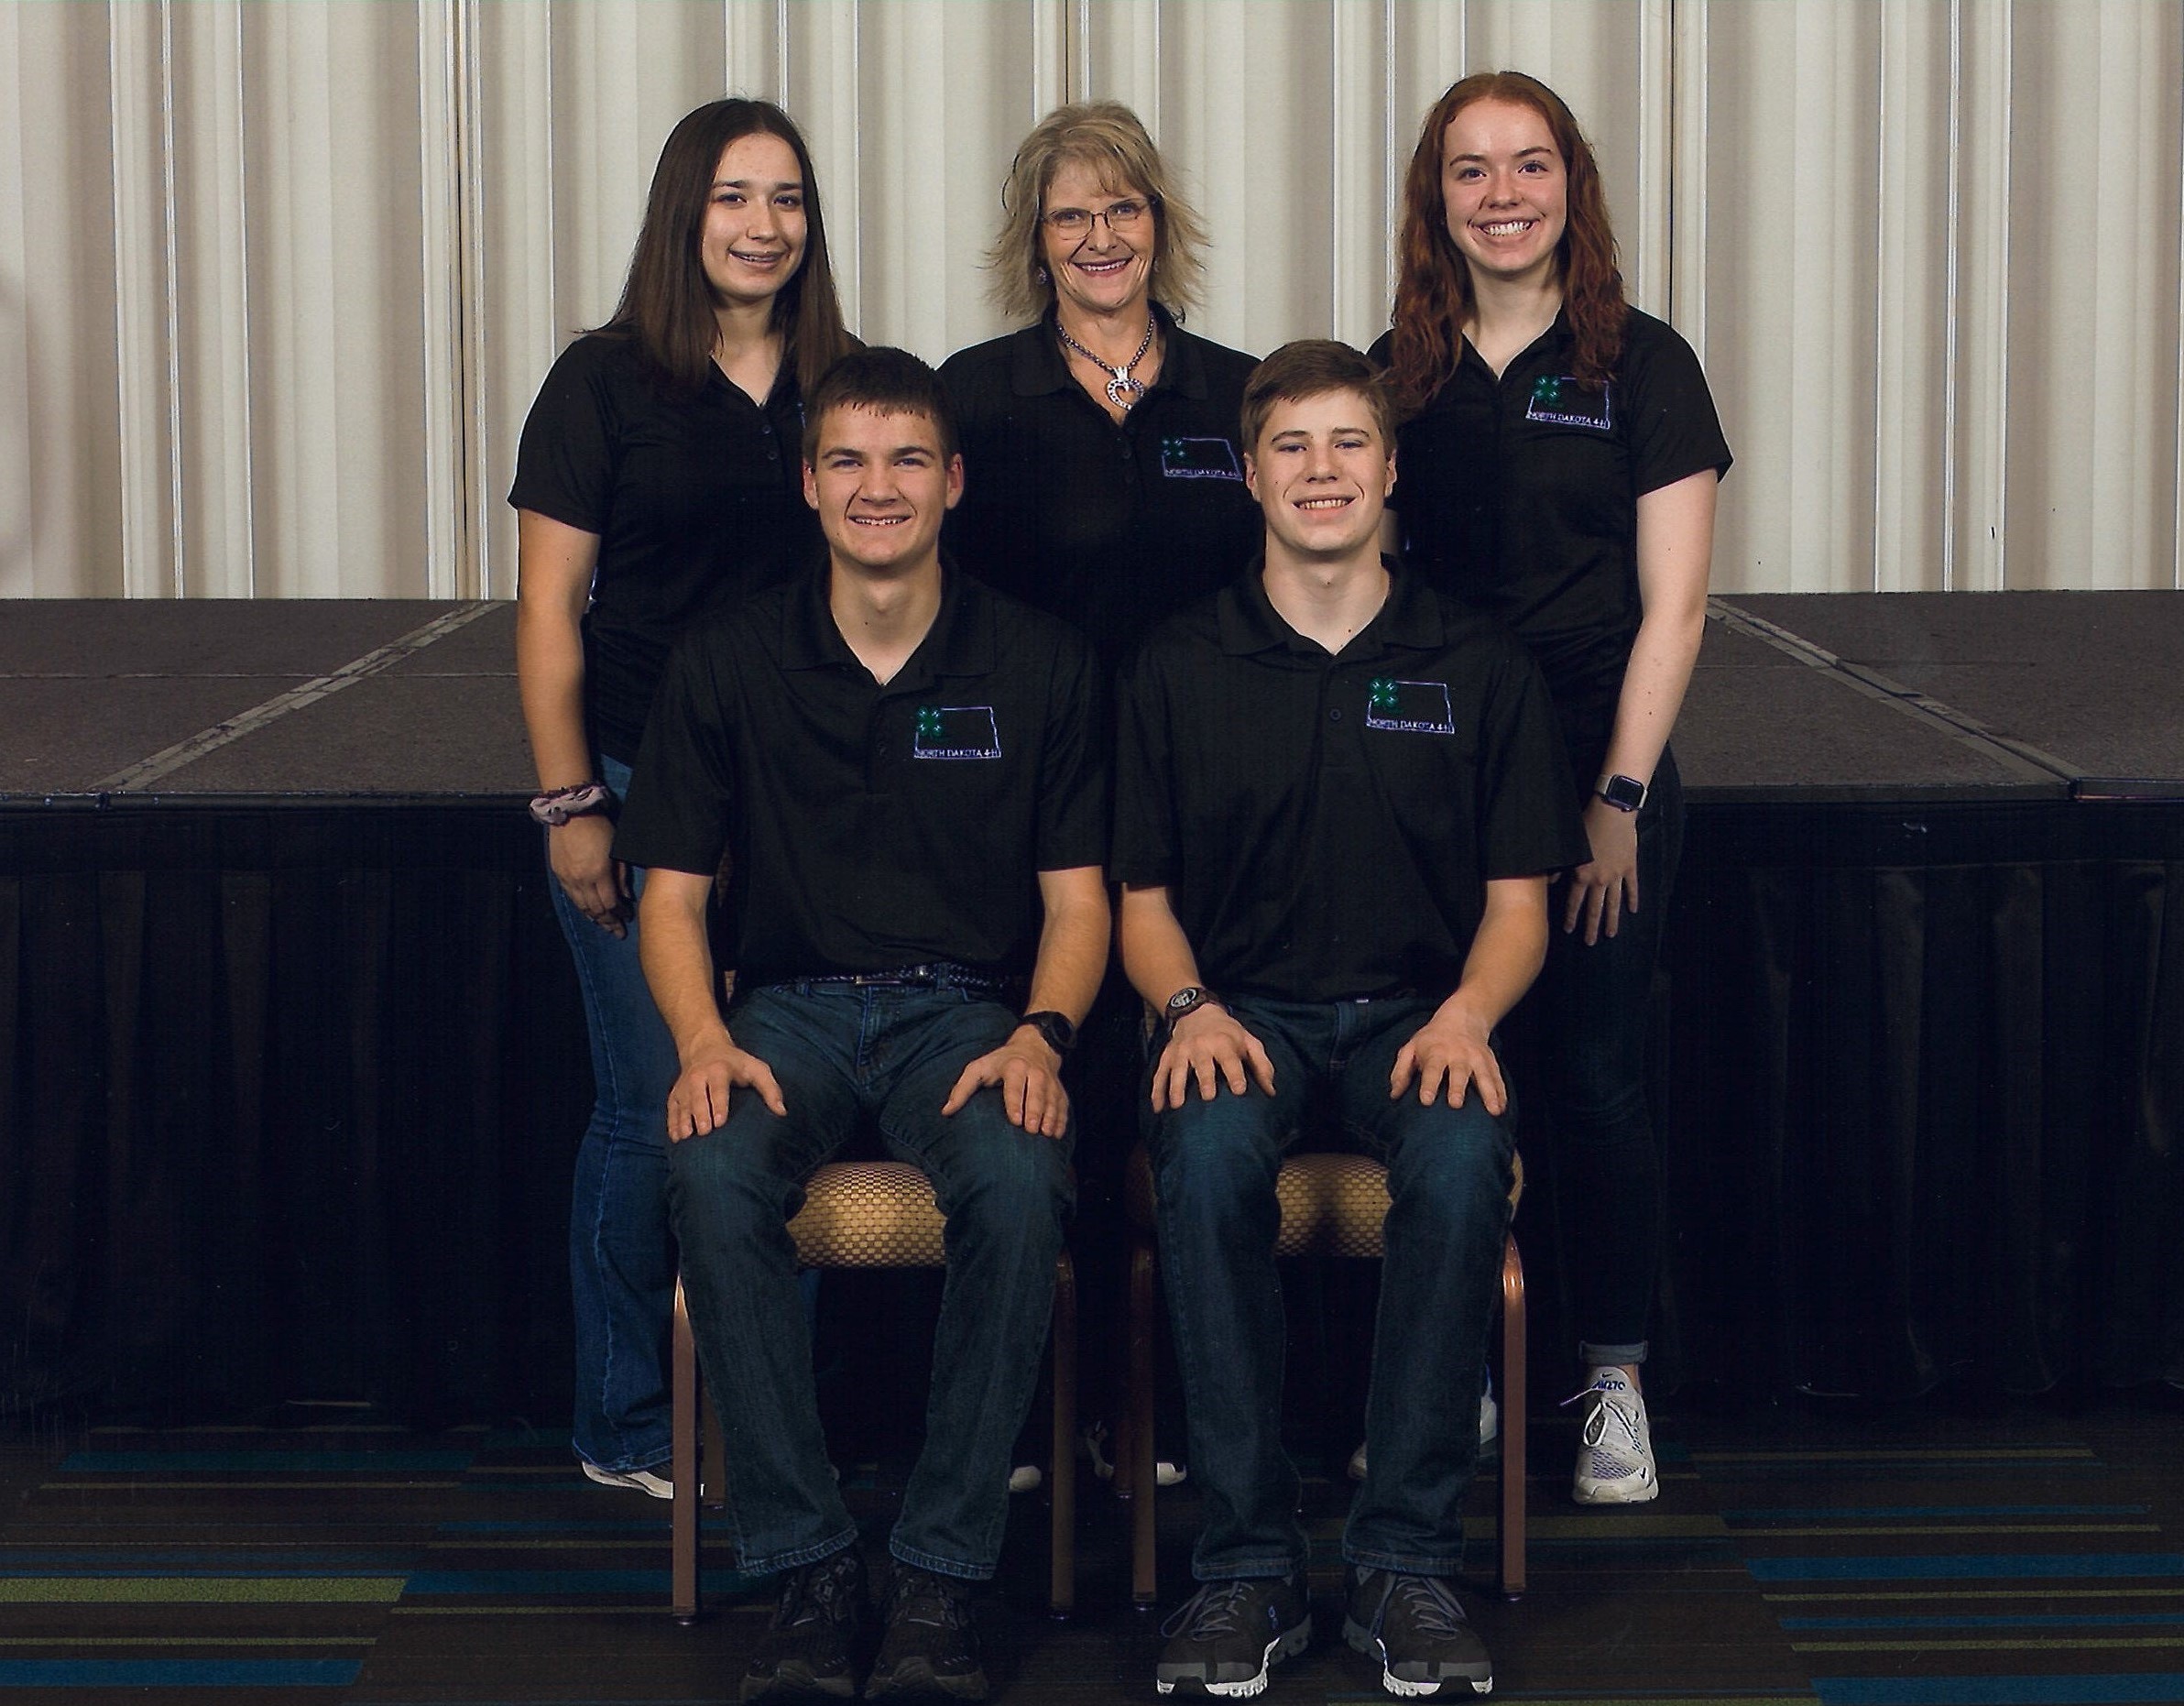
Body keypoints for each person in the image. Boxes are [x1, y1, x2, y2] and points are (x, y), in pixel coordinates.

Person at [615, 348, 1108, 1702]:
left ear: (953, 482)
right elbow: (671, 902)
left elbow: (1079, 902)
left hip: (968, 1017)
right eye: (847, 459)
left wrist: (1043, 1036)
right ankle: (809, 1566)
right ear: (809, 482)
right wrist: (704, 1044)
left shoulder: (1039, 660)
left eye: (905, 461)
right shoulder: (727, 659)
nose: (876, 487)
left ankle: (944, 1577)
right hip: (786, 1014)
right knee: (710, 1173)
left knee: (1018, 1178)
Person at [1115, 341, 1587, 1700]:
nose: (1321, 472)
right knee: (1201, 1162)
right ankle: (1247, 1565)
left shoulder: (1479, 664)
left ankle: (1404, 1562)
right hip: (1236, 1012)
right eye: (1292, 448)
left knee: (1454, 1162)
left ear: (1388, 471)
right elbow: (1138, 898)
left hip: (1415, 1017)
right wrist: (1188, 1005)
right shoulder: (1176, 661)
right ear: (1251, 474)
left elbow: (1520, 902)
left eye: (1347, 446)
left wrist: (1470, 1018)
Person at [1373, 70, 1731, 1505]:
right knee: (1446, 1075)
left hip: (1599, 772)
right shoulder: (1392, 371)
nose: (1503, 195)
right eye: (1472, 171)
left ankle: (1614, 1379)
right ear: (1435, 198)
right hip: (1432, 777)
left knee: (1590, 1078)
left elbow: (1680, 605)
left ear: (1571, 186)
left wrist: (1621, 797)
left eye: (1530, 167)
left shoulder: (1643, 365)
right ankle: (1450, 1375)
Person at [511, 98, 855, 1499]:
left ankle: (769, 1419)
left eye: (785, 199)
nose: (762, 224)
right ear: (682, 212)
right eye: (732, 197)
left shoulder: (837, 381)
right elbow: (547, 613)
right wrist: (571, 799)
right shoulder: (602, 383)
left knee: (777, 1107)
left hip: (799, 806)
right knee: (652, 1095)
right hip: (640, 786)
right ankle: (631, 1416)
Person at [939, 98, 1261, 1491]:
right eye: (1070, 215)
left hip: (1209, 795)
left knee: (1176, 1104)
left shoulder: (1236, 391)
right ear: (1036, 242)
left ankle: (1172, 1415)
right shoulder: (977, 394)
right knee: (1049, 1090)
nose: (1099, 236)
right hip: (1039, 798)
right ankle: (1033, 1417)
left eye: (1122, 208)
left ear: (1161, 224)